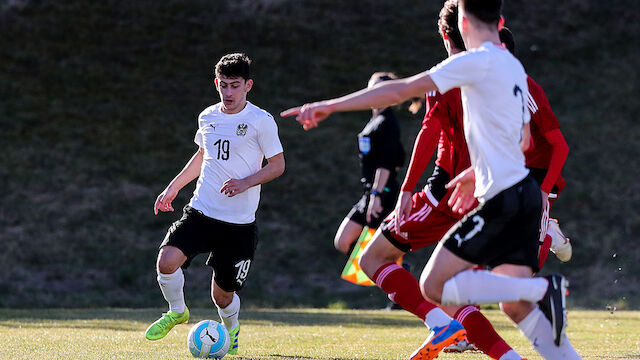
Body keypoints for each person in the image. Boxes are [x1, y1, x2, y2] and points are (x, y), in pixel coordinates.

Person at [281, 1, 573, 359]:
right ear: (500, 21)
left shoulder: (469, 62)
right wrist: (474, 172)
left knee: (433, 284)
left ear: (462, 23)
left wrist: (330, 105)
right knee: (512, 304)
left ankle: (542, 289)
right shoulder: (513, 67)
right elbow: (524, 139)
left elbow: (399, 90)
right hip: (522, 192)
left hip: (500, 198)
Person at [145, 53, 285, 357]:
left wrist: (245, 182)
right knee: (166, 260)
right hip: (201, 212)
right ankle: (177, 311)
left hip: (238, 225)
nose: (229, 92)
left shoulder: (261, 121)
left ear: (248, 85)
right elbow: (202, 156)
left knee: (222, 296)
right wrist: (173, 187)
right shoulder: (207, 116)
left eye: (235, 85)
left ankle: (231, 330)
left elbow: (277, 165)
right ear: (216, 84)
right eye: (223, 85)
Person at [498, 27, 572, 268]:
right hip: (511, 175)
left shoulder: (527, 89)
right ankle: (547, 227)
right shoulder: (488, 89)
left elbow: (560, 146)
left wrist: (543, 191)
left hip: (538, 178)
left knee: (528, 262)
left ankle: (546, 231)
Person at [334, 72, 405, 255]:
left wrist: (377, 195)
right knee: (343, 241)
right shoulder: (375, 120)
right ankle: (391, 268)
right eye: (371, 89)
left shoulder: (388, 122)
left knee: (372, 252)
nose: (373, 93)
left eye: (379, 90)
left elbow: (386, 163)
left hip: (382, 193)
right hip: (370, 190)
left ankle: (395, 270)